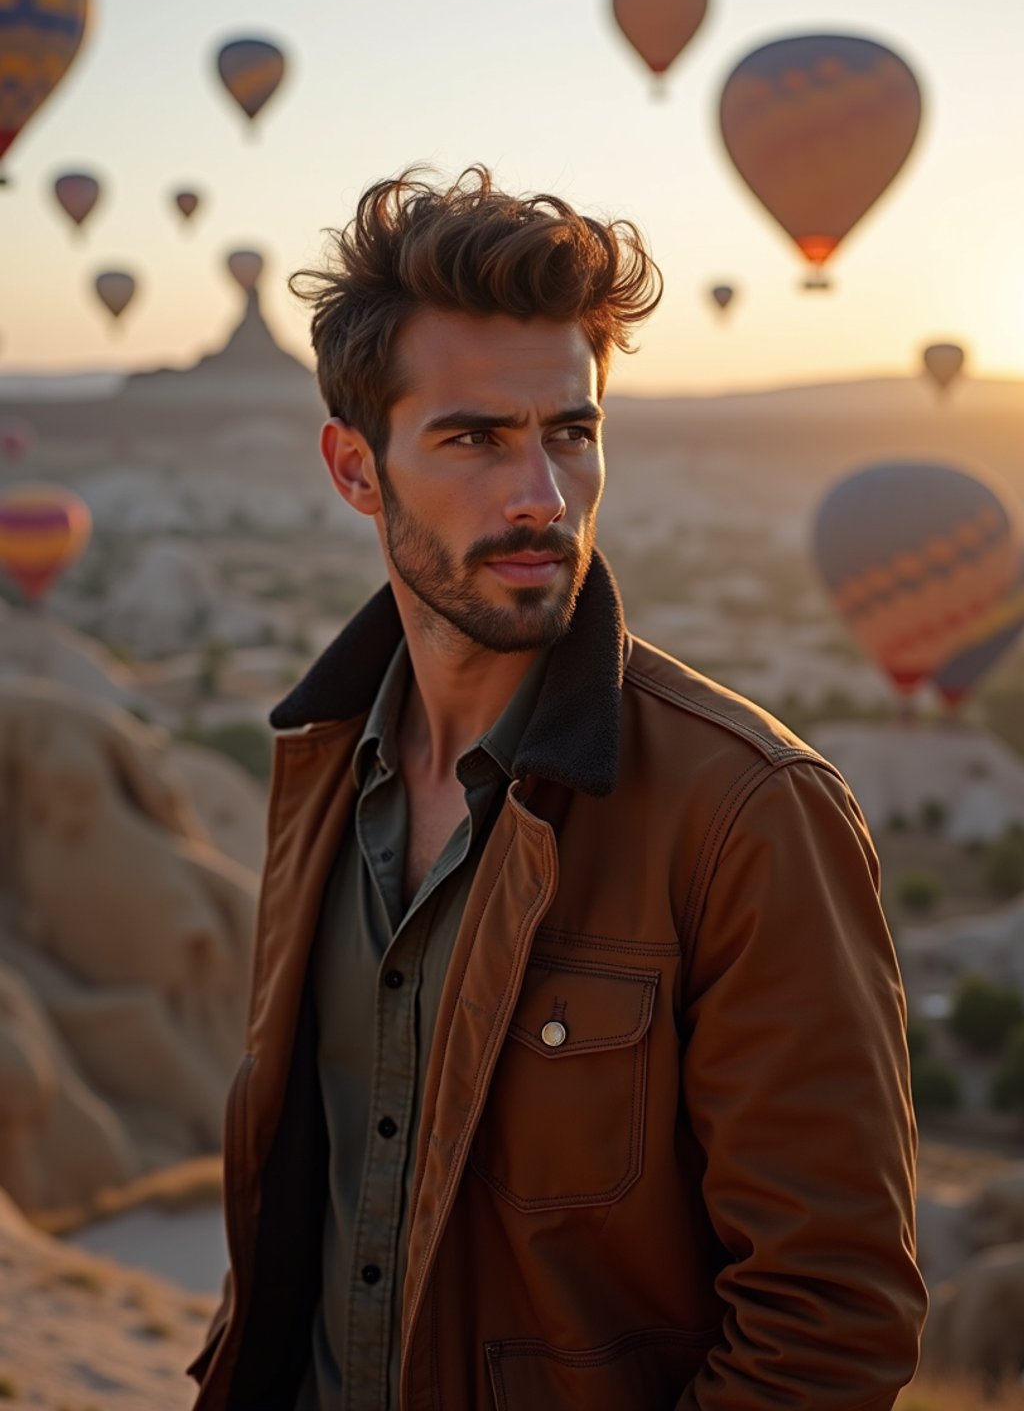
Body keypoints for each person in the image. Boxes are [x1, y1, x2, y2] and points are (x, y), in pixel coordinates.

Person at [187, 167, 927, 1411]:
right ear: (356, 471)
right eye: (474, 437)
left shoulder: (744, 811)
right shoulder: (323, 772)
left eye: (570, 435)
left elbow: (831, 1324)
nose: (540, 496)